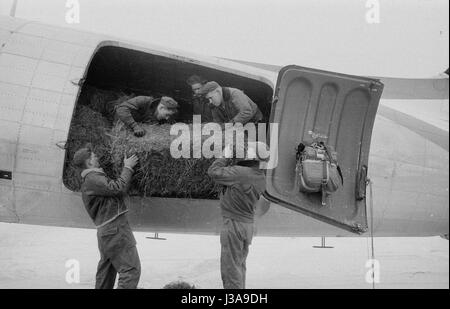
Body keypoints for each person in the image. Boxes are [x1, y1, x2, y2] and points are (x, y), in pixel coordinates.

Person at [72, 145, 141, 289]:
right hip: (115, 230)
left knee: (106, 275)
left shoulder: (92, 178)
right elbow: (118, 187)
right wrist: (128, 167)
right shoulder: (93, 179)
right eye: (94, 156)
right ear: (89, 162)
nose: (97, 157)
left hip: (107, 233)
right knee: (130, 271)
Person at [207, 141, 268, 289]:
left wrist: (225, 155)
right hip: (247, 225)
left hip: (234, 225)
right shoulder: (260, 176)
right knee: (239, 266)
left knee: (231, 269)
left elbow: (213, 171)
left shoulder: (240, 173)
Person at [198, 81, 263, 125]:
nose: (210, 102)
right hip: (239, 126)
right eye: (208, 99)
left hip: (254, 123)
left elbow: (247, 112)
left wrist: (229, 125)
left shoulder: (235, 94)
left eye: (210, 98)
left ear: (218, 91)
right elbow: (218, 121)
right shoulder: (214, 104)